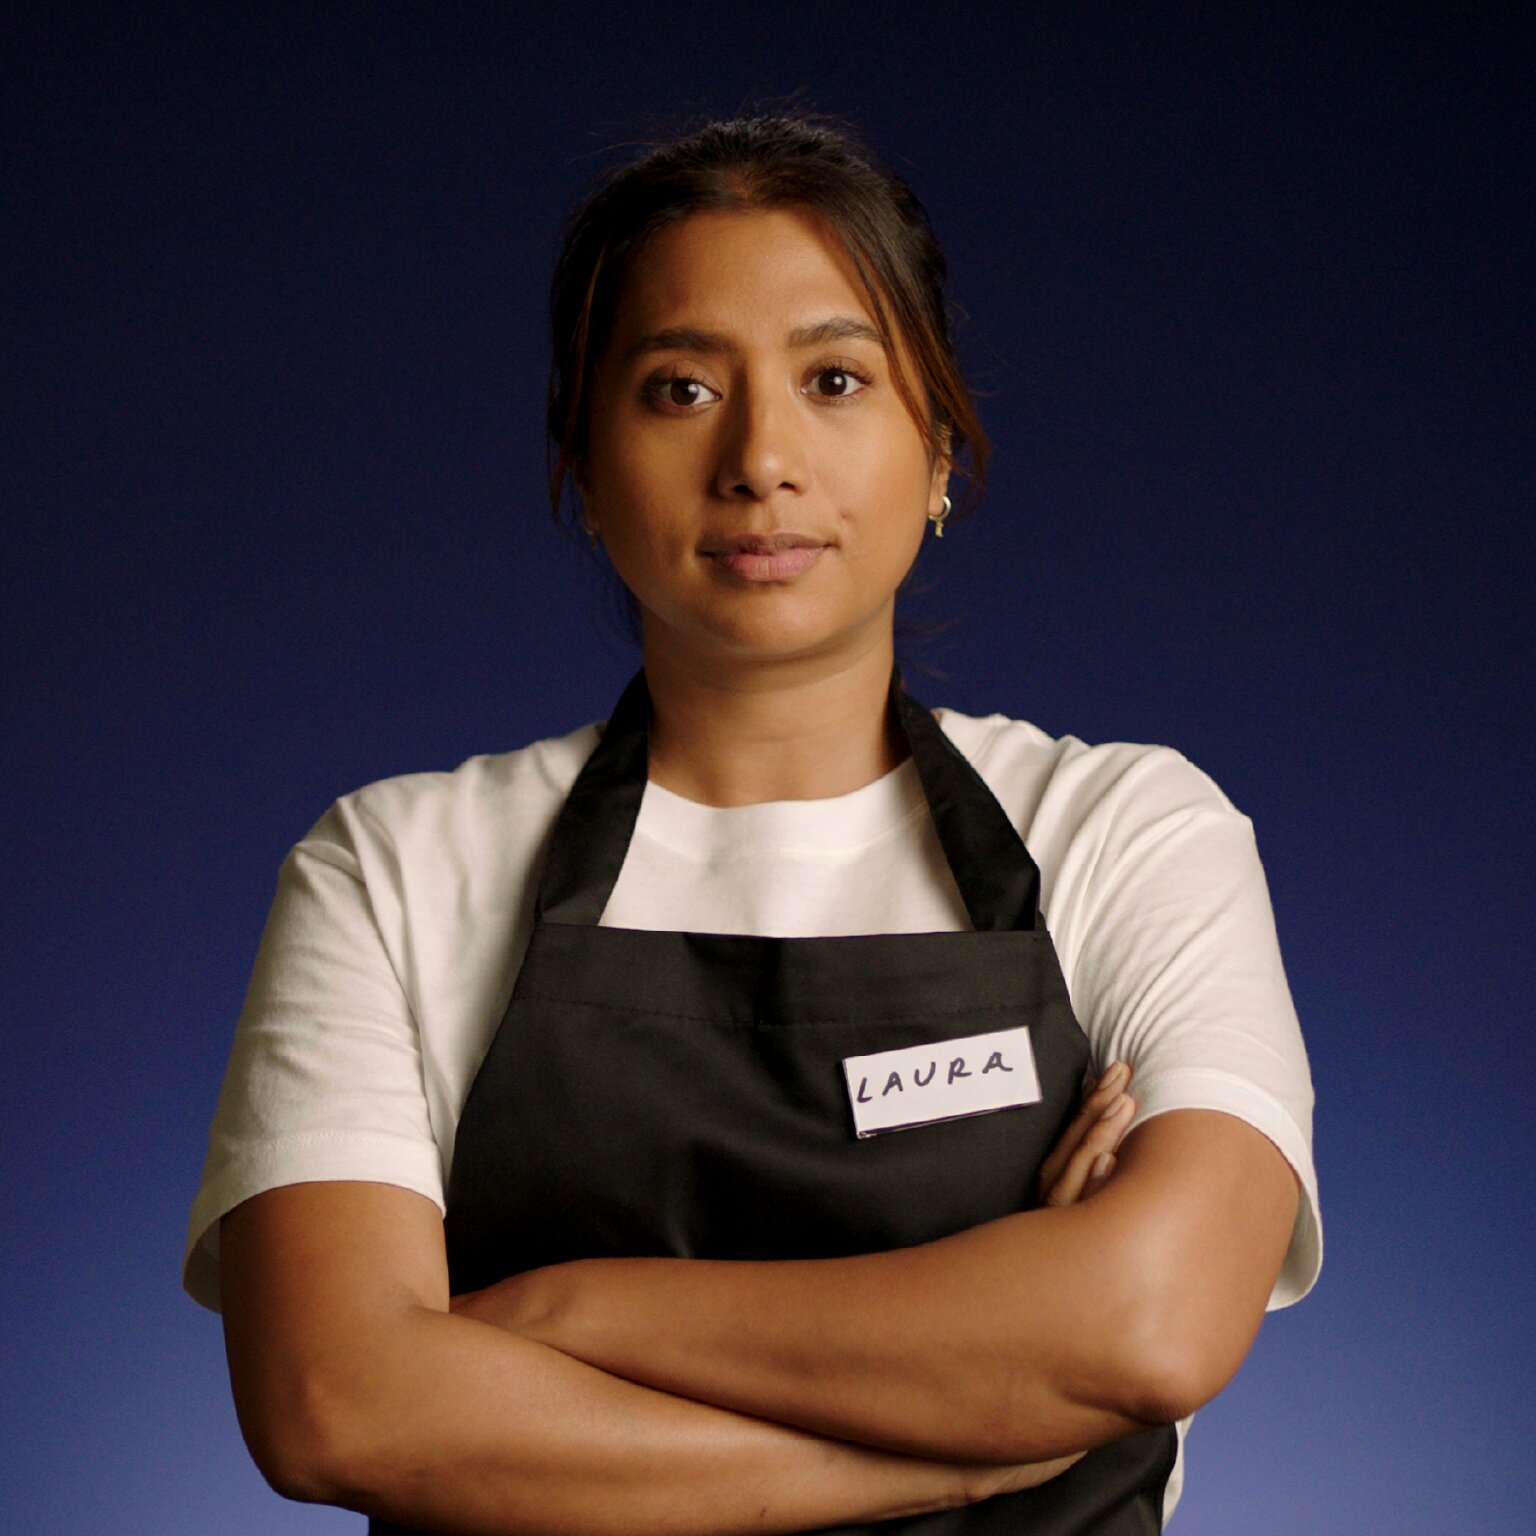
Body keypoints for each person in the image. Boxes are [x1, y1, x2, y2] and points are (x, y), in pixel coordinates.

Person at [185, 112, 1320, 1534]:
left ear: (942, 448)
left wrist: (562, 1311)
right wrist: (974, 1440)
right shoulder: (391, 868)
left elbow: (1149, 1326)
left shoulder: (1131, 833)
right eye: (677, 390)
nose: (760, 458)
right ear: (580, 467)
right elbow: (335, 1405)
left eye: (836, 377)